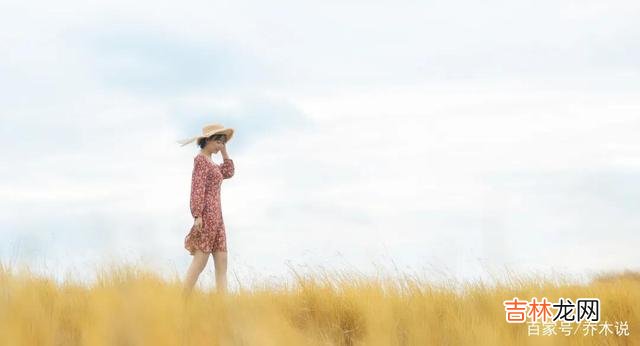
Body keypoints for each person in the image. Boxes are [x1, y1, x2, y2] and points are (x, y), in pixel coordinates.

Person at [176, 123, 235, 297]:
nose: (221, 145)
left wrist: (224, 152)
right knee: (200, 262)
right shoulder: (201, 160)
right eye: (219, 142)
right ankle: (182, 300)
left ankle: (221, 307)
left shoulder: (213, 164)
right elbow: (197, 188)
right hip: (207, 216)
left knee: (222, 262)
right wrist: (197, 215)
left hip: (218, 218)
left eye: (223, 142)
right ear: (208, 140)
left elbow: (229, 172)